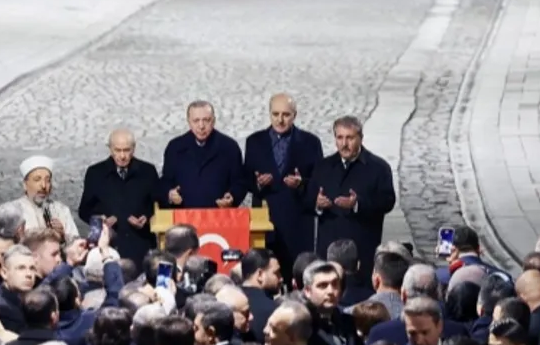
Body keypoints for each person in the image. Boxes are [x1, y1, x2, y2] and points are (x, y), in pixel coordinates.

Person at [307, 117, 396, 287]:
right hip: (329, 250)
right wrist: (317, 204)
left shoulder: (378, 168)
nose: (344, 144)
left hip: (362, 250)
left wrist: (357, 204)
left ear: (360, 138)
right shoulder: (323, 167)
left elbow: (387, 201)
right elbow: (308, 200)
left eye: (350, 138)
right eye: (340, 138)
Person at [243, 94, 324, 275]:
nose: (280, 120)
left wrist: (301, 183)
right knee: (265, 272)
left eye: (286, 115)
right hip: (265, 220)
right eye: (275, 114)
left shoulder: (310, 143)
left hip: (298, 222)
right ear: (269, 114)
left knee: (298, 273)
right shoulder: (254, 142)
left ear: (295, 115)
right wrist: (258, 183)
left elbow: (319, 180)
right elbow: (246, 178)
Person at [78, 129, 160, 265]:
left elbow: (157, 205)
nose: (122, 156)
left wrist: (145, 218)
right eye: (118, 150)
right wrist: (100, 220)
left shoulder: (147, 171)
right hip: (108, 246)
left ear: (134, 149)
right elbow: (84, 211)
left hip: (141, 245)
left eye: (126, 150)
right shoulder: (95, 173)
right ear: (110, 149)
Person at [158, 101, 248, 210]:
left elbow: (240, 182)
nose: (201, 126)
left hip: (219, 216)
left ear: (213, 121)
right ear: (189, 122)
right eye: (196, 121)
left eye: (206, 120)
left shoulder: (229, 147)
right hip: (183, 215)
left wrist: (232, 197)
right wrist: (170, 194)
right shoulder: (175, 147)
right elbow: (165, 181)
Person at [0, 157, 80, 241]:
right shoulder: (11, 212)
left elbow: (77, 243)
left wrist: (62, 236)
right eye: (37, 180)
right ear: (25, 185)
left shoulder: (62, 210)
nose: (43, 186)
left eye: (48, 180)